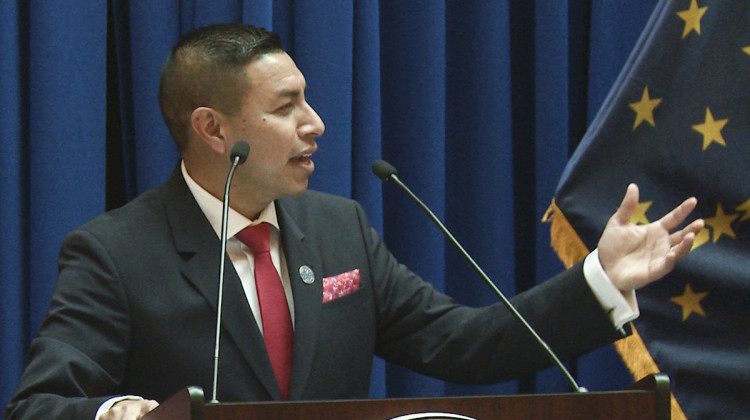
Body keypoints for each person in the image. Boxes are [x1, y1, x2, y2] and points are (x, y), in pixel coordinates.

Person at [5, 24, 704, 420]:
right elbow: (38, 407)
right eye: (286, 107)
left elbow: (461, 344)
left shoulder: (338, 230)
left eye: (307, 100)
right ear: (212, 128)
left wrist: (598, 281)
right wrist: (131, 417)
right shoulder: (114, 253)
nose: (316, 125)